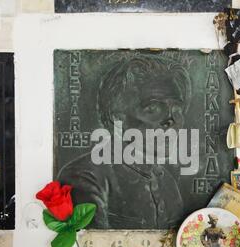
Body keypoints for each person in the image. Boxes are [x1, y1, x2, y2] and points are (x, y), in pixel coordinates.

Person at [58, 55, 192, 229]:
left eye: (177, 109)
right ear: (116, 119)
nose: (171, 120)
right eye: (152, 108)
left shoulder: (167, 184)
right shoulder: (85, 177)